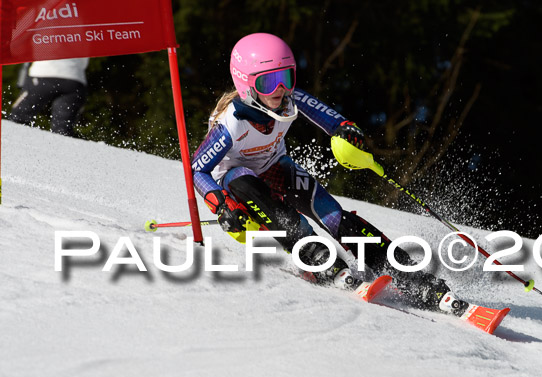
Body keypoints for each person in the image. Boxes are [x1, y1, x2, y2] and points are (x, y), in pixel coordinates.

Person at [191, 32, 467, 314]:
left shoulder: (289, 99)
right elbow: (197, 169)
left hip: (275, 166)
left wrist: (347, 130)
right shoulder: (231, 124)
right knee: (252, 189)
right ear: (246, 83)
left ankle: (411, 276)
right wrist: (220, 203)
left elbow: (332, 120)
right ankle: (314, 256)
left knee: (334, 215)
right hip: (237, 179)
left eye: (286, 77)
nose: (280, 89)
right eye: (268, 82)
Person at [9, 58, 89, 137]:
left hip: (43, 73)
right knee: (63, 128)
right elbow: (84, 62)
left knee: (18, 117)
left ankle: (12, 143)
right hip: (74, 79)